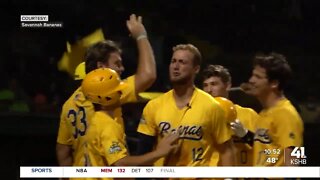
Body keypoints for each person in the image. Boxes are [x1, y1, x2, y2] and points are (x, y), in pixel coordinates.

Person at [56, 14, 156, 166]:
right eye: (117, 63)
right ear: (101, 66)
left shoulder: (68, 104)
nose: (122, 68)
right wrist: (141, 35)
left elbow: (63, 152)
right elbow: (148, 75)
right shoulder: (108, 93)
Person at [137, 44, 234, 167]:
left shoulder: (212, 107)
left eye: (182, 62)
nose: (176, 67)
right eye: (173, 61)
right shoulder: (153, 106)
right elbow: (142, 152)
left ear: (196, 69)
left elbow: (226, 150)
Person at [81, 68, 178, 169]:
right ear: (106, 97)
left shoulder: (96, 119)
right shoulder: (108, 126)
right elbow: (120, 163)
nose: (121, 93)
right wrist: (158, 153)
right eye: (117, 91)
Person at [230, 52, 304, 166]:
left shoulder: (286, 114)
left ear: (274, 83)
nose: (251, 80)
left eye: (258, 77)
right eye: (252, 75)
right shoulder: (264, 113)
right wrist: (246, 135)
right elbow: (268, 151)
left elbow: (294, 161)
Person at [202, 64, 258, 166]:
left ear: (227, 86)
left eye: (214, 84)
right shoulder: (199, 117)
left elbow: (269, 150)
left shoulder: (249, 115)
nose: (209, 90)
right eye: (205, 85)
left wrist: (246, 135)